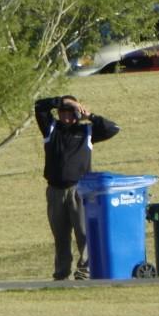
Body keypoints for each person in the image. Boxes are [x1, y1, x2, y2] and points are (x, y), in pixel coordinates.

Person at [34, 95, 120, 281]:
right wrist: (63, 101)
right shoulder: (51, 128)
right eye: (63, 111)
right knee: (60, 235)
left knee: (84, 233)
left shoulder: (87, 131)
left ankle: (84, 272)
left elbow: (113, 129)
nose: (66, 115)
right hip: (55, 191)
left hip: (79, 190)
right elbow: (39, 106)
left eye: (71, 112)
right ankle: (61, 273)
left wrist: (90, 115)